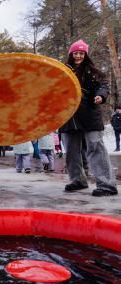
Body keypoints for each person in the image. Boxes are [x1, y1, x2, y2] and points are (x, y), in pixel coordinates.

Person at [59, 39, 118, 196]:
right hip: (67, 118)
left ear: (85, 55)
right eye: (75, 53)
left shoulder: (93, 72)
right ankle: (78, 180)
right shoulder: (62, 71)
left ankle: (107, 185)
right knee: (71, 151)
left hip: (89, 115)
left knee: (95, 148)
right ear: (71, 54)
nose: (78, 56)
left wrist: (100, 96)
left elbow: (103, 86)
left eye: (81, 53)